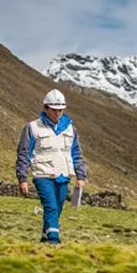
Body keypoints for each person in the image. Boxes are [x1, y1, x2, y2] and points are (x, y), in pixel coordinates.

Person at [16, 89, 87, 244]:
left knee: (57, 208)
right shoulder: (32, 128)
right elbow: (24, 154)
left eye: (61, 110)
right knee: (51, 207)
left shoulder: (71, 129)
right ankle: (54, 240)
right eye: (54, 110)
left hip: (63, 175)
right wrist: (23, 178)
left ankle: (45, 237)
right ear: (45, 108)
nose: (58, 113)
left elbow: (76, 154)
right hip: (42, 175)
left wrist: (81, 176)